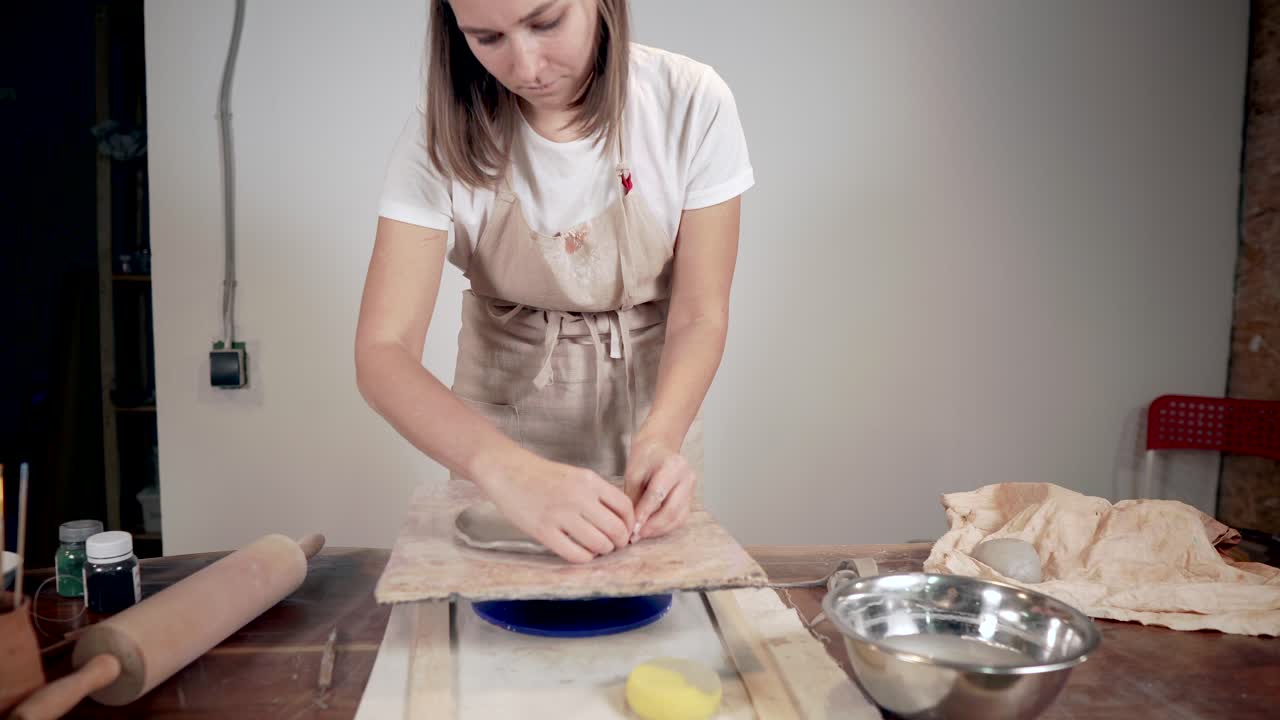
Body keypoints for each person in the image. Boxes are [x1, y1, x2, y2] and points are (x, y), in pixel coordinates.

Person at [355, 0, 752, 564]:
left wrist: (661, 439)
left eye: (545, 23)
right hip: (495, 424)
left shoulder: (689, 102)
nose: (526, 65)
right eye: (487, 37)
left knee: (653, 625)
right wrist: (507, 471)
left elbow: (699, 314)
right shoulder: (438, 133)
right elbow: (382, 351)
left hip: (652, 412)